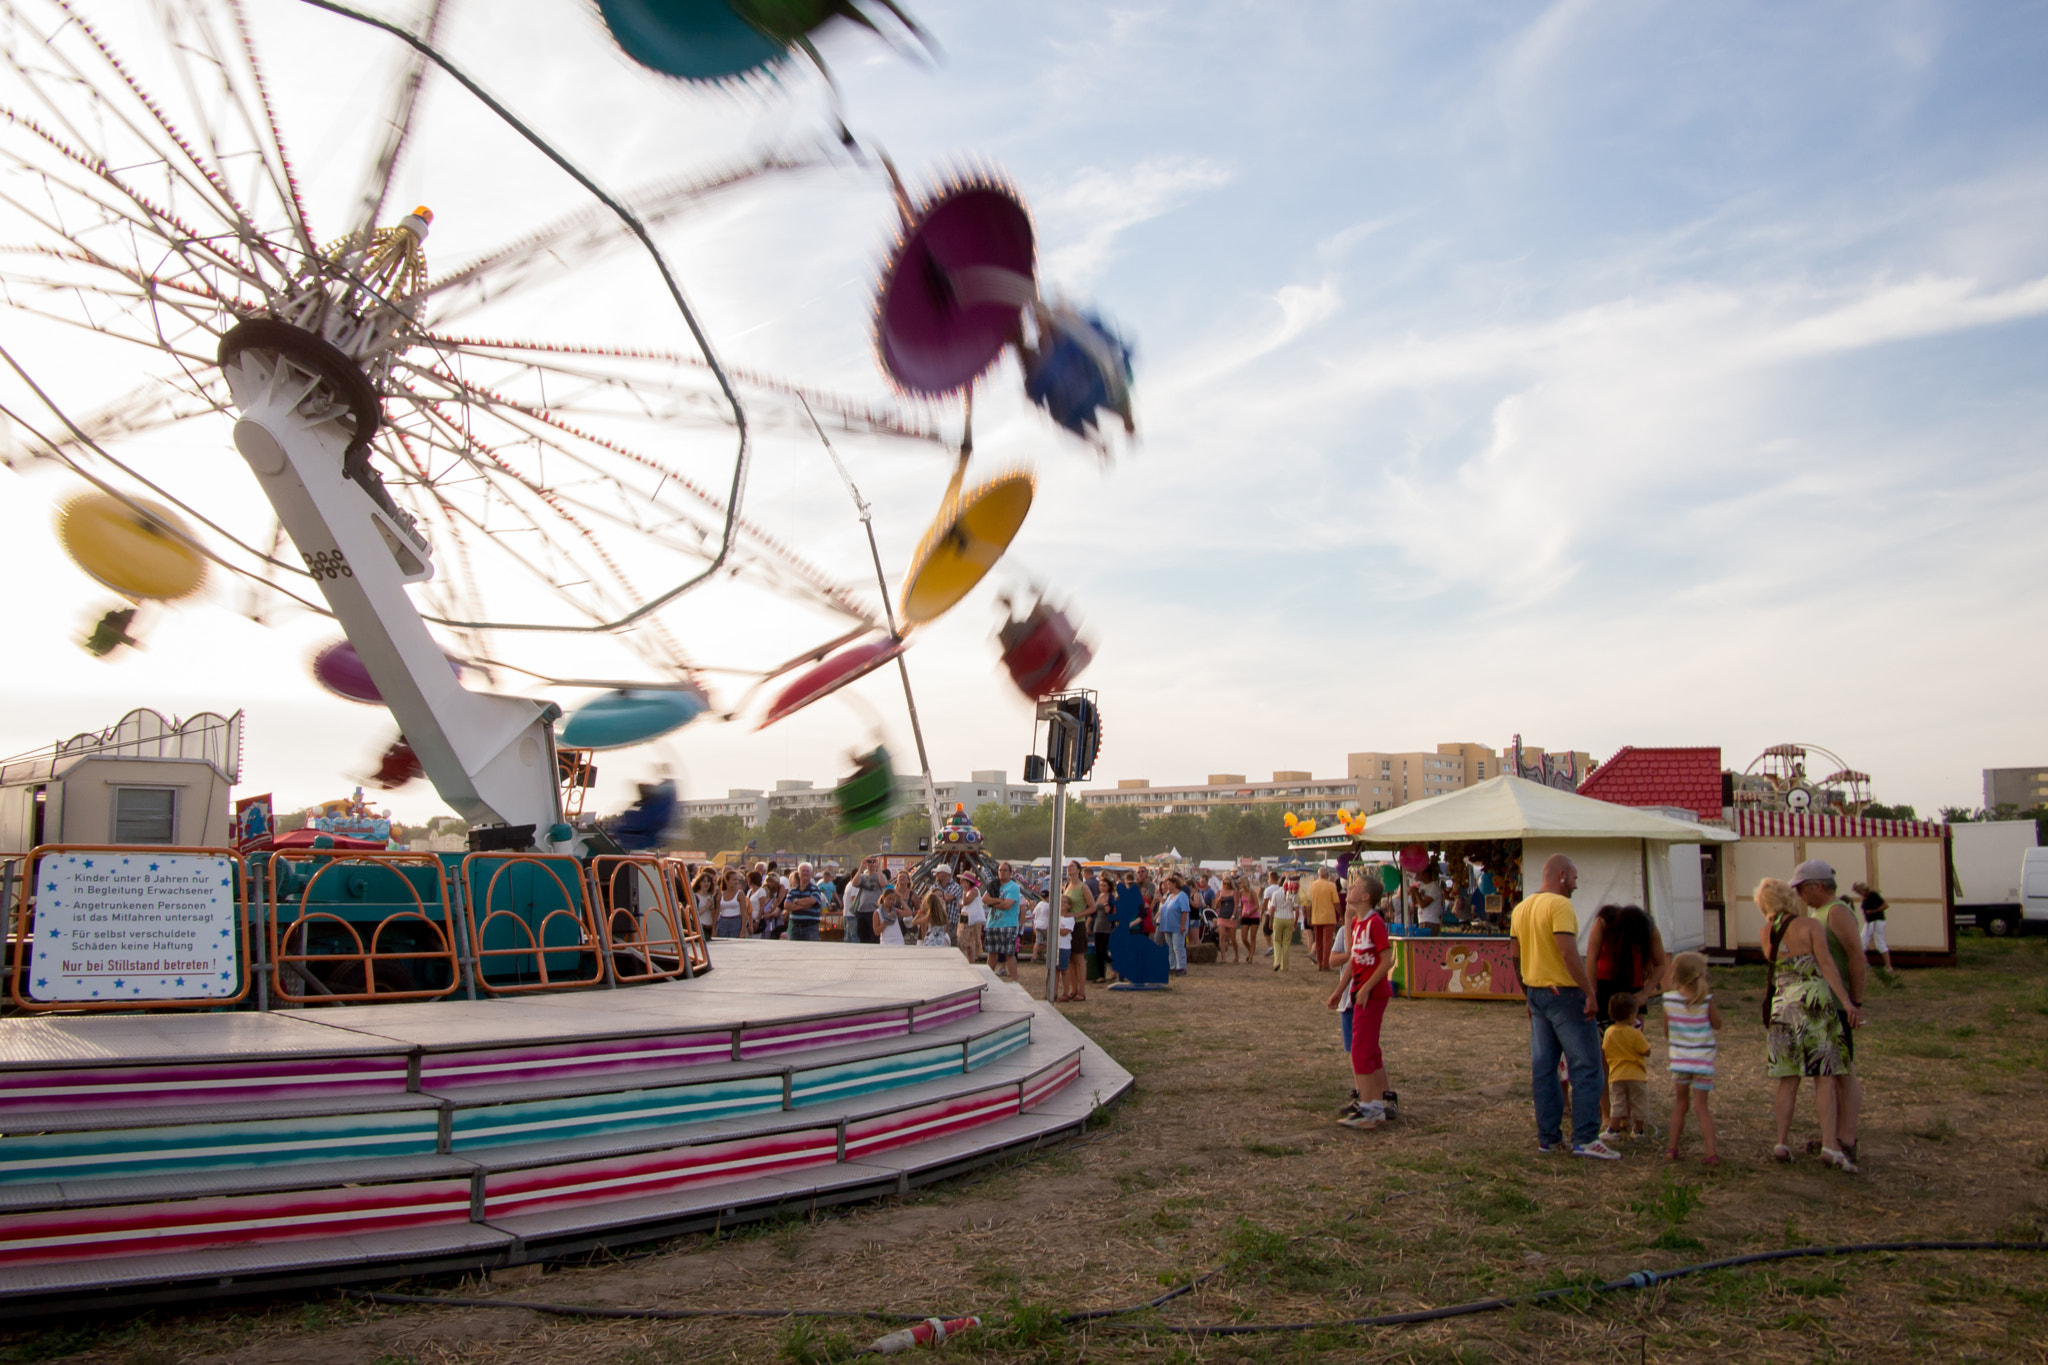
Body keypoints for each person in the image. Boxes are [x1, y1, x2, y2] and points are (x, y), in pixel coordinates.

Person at [1508, 854, 1619, 1160]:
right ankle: (1585, 1137)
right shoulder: (1560, 906)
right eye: (1574, 878)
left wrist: (1527, 993)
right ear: (1560, 876)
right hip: (1565, 994)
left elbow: (1515, 956)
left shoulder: (1521, 908)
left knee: (1544, 1069)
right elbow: (1568, 953)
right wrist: (1589, 992)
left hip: (1537, 993)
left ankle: (1549, 1138)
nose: (1576, 885)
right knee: (1586, 1065)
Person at [1762, 876, 1863, 1171]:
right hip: (1814, 1005)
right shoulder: (1811, 926)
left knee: (1788, 1078)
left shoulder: (1766, 932)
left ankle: (1781, 1141)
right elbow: (1828, 967)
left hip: (1782, 1007)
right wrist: (1847, 1002)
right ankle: (1831, 1145)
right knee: (1825, 1076)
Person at [1792, 860, 1867, 1162]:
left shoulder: (1836, 912)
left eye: (1801, 889)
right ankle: (1832, 1136)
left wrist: (1855, 1002)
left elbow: (1857, 958)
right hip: (1821, 1005)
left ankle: (1847, 1137)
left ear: (1817, 886)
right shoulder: (1817, 913)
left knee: (1843, 1072)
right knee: (1829, 1072)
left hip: (1838, 1005)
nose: (1800, 895)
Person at [1585, 903, 1670, 1132]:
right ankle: (1607, 1114)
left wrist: (1645, 992)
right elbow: (1591, 959)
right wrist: (1592, 995)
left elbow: (1661, 964)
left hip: (1633, 990)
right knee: (1604, 1053)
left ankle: (1627, 1114)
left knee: (1630, 1053)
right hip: (1604, 988)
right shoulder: (1604, 922)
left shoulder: (1648, 928)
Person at [1328, 879, 1395, 1129]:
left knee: (1360, 1050)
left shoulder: (1374, 923)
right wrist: (1339, 991)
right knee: (1369, 1049)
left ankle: (1367, 1108)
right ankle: (1375, 1106)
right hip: (1360, 991)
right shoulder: (1356, 924)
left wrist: (1366, 988)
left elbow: (1386, 960)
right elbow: (1354, 962)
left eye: (1355, 887)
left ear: (1366, 896)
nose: (1350, 889)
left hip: (1372, 994)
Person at [1661, 953, 1721, 1164]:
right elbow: (1717, 1024)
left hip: (1680, 1060)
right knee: (1701, 1107)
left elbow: (1667, 1031)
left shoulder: (1669, 1000)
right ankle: (1711, 1152)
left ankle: (1671, 1148)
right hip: (1702, 1061)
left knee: (1680, 1103)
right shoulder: (1706, 1000)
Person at [1600, 994, 1650, 1143]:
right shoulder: (1635, 1033)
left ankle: (1613, 1129)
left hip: (1616, 1074)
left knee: (1617, 1102)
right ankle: (1638, 1130)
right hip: (1636, 1075)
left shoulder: (1609, 1032)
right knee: (1638, 1103)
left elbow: (1605, 1049)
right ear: (1630, 1016)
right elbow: (1646, 1051)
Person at [1059, 862, 1093, 1002]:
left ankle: (1082, 991)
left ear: (1079, 870)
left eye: (1072, 866)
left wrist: (1076, 915)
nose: (1069, 868)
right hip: (1067, 924)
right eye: (1068, 866)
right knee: (1070, 959)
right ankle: (1073, 990)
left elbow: (1092, 907)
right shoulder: (1066, 886)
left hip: (1077, 925)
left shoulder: (1083, 887)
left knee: (1079, 959)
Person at [985, 863, 1024, 980]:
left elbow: (1008, 905)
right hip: (992, 923)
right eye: (1000, 870)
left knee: (1009, 953)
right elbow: (985, 899)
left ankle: (1014, 980)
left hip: (1008, 924)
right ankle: (988, 979)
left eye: (1005, 870)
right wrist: (999, 901)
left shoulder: (1013, 887)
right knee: (992, 953)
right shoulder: (994, 885)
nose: (1002, 872)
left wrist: (993, 903)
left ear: (1010, 872)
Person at [1852, 880, 1894, 977]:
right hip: (1869, 922)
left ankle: (1888, 966)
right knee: (1862, 942)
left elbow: (1885, 905)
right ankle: (1865, 964)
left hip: (1877, 921)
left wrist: (1874, 911)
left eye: (1858, 891)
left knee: (1880, 943)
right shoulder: (1865, 897)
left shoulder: (1873, 895)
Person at [1306, 867, 1341, 970]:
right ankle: (1326, 964)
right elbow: (1336, 902)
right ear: (1327, 874)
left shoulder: (1312, 885)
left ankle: (1320, 963)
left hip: (1316, 917)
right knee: (1327, 942)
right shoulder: (1331, 886)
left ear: (1318, 874)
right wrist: (1341, 915)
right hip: (1329, 917)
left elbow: (1308, 904)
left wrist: (1309, 917)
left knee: (1319, 941)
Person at [1156, 874, 1190, 977]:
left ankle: (1181, 967)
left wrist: (1183, 925)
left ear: (1175, 884)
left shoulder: (1182, 895)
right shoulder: (1170, 896)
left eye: (1169, 884)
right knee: (1170, 947)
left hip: (1177, 926)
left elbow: (1185, 911)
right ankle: (1173, 966)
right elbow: (1165, 908)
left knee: (1177, 947)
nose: (1167, 886)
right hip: (1167, 926)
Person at [1266, 872, 1298, 972]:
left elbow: (1272, 910)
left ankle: (1277, 962)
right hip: (1289, 918)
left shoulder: (1276, 894)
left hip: (1278, 918)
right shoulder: (1293, 895)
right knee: (1286, 943)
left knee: (1276, 941)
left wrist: (1270, 922)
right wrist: (1295, 922)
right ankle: (1285, 965)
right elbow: (1296, 910)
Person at [785, 863, 824, 942]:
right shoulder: (793, 890)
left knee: (811, 952)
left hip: (810, 928)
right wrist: (804, 906)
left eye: (807, 871)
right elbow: (786, 905)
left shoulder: (815, 889)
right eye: (803, 871)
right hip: (795, 927)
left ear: (811, 874)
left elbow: (812, 900)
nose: (805, 873)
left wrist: (796, 901)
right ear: (799, 874)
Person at [960, 874, 988, 963]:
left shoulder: (974, 891)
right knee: (966, 941)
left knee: (969, 941)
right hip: (965, 917)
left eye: (963, 881)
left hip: (971, 920)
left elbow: (966, 902)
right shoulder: (970, 891)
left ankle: (971, 961)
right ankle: (969, 960)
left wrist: (964, 891)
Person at [712, 867, 746, 940]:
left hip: (736, 921)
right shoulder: (721, 894)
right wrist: (713, 929)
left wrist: (742, 931)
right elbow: (717, 912)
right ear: (726, 881)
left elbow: (744, 912)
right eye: (734, 879)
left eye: (737, 879)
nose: (736, 881)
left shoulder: (740, 894)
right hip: (723, 921)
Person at [1214, 877, 1241, 963]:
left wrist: (1233, 915)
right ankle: (1223, 958)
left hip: (1230, 917)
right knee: (1222, 937)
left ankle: (1236, 955)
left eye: (1228, 884)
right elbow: (1216, 906)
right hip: (1222, 916)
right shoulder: (1219, 892)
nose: (1226, 885)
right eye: (1225, 883)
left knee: (1232, 938)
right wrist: (1218, 900)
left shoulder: (1234, 892)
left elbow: (1236, 905)